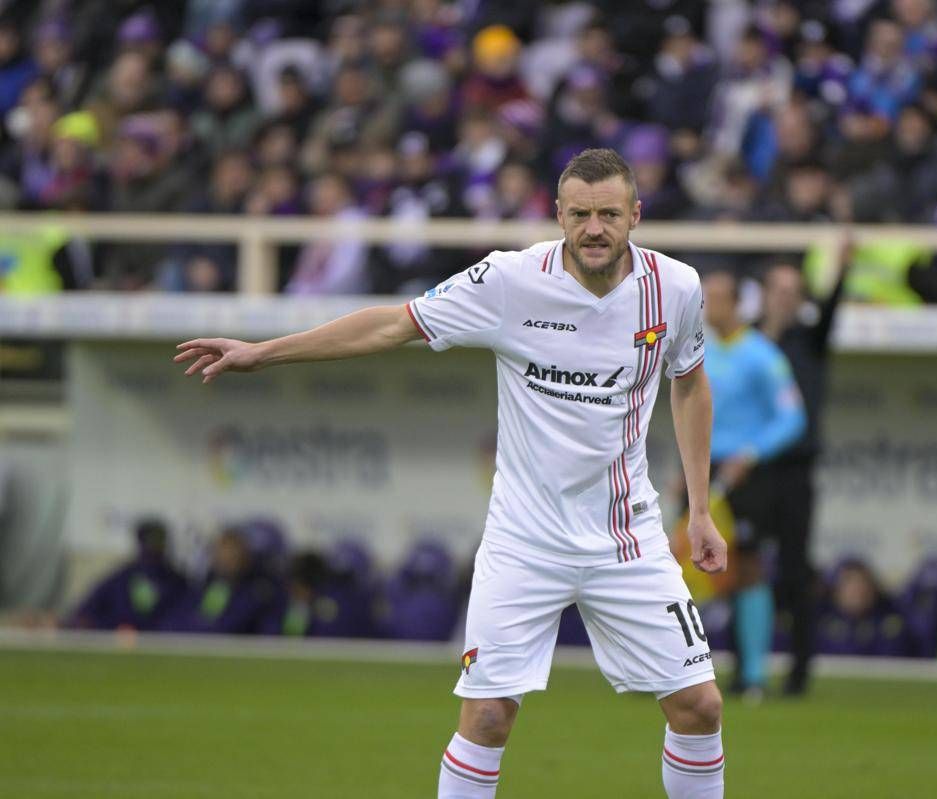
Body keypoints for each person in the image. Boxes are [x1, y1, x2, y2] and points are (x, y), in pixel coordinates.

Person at [176, 148, 728, 798]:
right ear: (558, 215)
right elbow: (392, 325)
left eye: (609, 214)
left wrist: (699, 509)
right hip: (524, 541)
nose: (594, 229)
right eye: (580, 214)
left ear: (635, 214)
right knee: (488, 715)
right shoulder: (509, 281)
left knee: (700, 706)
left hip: (626, 539)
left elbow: (690, 383)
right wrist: (263, 353)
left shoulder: (675, 288)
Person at [702, 269, 806, 702]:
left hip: (748, 473)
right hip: (706, 468)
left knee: (747, 568)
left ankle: (754, 674)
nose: (707, 306)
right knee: (691, 566)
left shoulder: (761, 355)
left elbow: (792, 417)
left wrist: (752, 453)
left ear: (735, 304)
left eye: (716, 298)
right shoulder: (700, 349)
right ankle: (678, 669)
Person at [757, 242, 849, 694]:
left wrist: (841, 267)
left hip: (795, 471)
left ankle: (799, 672)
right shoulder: (749, 343)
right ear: (765, 294)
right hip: (753, 469)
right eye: (779, 290)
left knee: (795, 572)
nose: (786, 298)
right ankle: (746, 668)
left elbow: (831, 311)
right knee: (744, 573)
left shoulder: (810, 340)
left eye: (794, 291)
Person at [69, 517, 187, 631]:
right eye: (150, 544)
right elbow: (84, 615)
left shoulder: (178, 584)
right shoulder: (121, 580)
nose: (155, 550)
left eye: (159, 543)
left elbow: (186, 620)